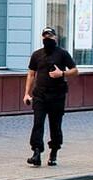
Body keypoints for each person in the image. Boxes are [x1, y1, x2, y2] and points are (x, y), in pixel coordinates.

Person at [24, 27, 78, 166]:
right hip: (40, 95)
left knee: (55, 125)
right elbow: (31, 74)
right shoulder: (36, 55)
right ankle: (36, 152)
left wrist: (62, 74)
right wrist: (27, 94)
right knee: (38, 123)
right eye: (45, 36)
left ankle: (54, 151)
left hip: (57, 95)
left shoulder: (62, 54)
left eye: (50, 36)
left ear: (55, 38)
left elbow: (75, 70)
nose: (47, 38)